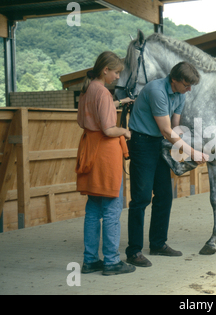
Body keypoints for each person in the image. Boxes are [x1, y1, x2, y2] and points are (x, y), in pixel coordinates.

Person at [126, 61, 209, 267]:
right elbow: (165, 130)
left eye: (191, 86)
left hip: (157, 143)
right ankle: (133, 251)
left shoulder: (180, 94)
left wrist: (191, 143)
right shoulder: (157, 91)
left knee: (164, 195)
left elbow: (175, 127)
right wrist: (192, 152)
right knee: (141, 198)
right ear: (174, 80)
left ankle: (158, 244)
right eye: (186, 85)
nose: (189, 90)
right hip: (141, 142)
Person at [76, 51, 136, 276]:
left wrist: (120, 102)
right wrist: (125, 132)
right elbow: (109, 129)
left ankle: (90, 260)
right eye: (117, 72)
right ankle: (111, 261)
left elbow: (95, 112)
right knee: (112, 208)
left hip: (90, 149)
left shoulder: (88, 89)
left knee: (93, 208)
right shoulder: (101, 92)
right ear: (105, 70)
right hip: (105, 153)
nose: (119, 77)